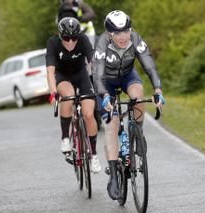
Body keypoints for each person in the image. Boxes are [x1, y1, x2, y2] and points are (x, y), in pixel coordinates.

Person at [92, 10, 165, 200]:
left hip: (126, 76)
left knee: (138, 95)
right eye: (117, 33)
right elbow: (97, 74)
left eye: (125, 31)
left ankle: (137, 131)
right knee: (112, 123)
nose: (123, 37)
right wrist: (105, 95)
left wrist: (157, 89)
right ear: (109, 34)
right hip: (105, 83)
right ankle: (114, 175)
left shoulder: (135, 38)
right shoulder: (102, 43)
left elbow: (149, 65)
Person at [46, 17, 101, 173]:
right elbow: (50, 71)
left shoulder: (83, 40)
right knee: (68, 95)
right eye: (66, 38)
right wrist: (53, 92)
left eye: (74, 38)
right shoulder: (53, 43)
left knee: (89, 114)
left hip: (81, 75)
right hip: (62, 77)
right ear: (59, 35)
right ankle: (65, 138)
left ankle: (94, 155)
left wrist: (100, 83)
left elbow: (93, 63)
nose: (70, 42)